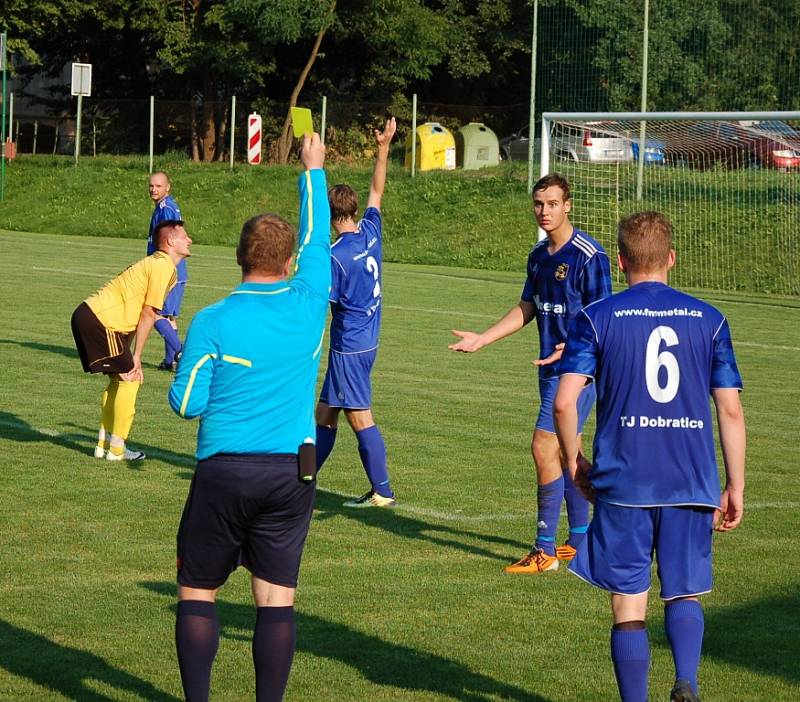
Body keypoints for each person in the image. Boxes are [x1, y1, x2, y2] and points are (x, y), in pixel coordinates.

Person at [553, 211, 745, 702]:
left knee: (628, 605)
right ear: (672, 259)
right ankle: (686, 684)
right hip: (691, 479)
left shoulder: (596, 318)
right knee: (683, 591)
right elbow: (730, 409)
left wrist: (574, 461)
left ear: (620, 262)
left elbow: (564, 400)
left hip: (625, 480)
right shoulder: (710, 318)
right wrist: (735, 485)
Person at [167, 133, 329, 702]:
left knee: (197, 591)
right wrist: (313, 169)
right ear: (289, 263)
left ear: (238, 257)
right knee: (276, 598)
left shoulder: (212, 321)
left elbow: (185, 404)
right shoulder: (310, 303)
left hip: (224, 470)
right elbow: (315, 238)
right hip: (291, 473)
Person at [449, 173, 611, 573]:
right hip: (549, 368)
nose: (544, 211)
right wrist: (483, 338)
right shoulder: (539, 256)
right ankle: (579, 542)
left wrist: (573, 347)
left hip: (578, 371)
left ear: (568, 205)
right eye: (539, 204)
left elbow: (603, 320)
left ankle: (545, 550)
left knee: (543, 446)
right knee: (564, 451)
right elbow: (528, 307)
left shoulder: (590, 256)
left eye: (552, 204)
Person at [314, 117, 398, 508]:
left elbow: (324, 306)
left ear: (331, 215)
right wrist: (383, 148)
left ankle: (383, 491)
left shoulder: (335, 257)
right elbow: (377, 190)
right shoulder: (370, 231)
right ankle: (302, 480)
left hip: (349, 347)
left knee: (359, 417)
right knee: (325, 413)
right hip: (369, 341)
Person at [71, 220, 192, 461]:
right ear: (170, 241)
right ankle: (116, 449)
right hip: (101, 322)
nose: (189, 240)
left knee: (120, 379)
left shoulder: (158, 265)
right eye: (184, 236)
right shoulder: (163, 266)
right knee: (131, 379)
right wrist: (136, 357)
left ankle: (103, 445)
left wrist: (129, 351)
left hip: (95, 319)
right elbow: (148, 312)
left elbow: (142, 313)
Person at [148, 171, 186, 371]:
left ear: (167, 187)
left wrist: (160, 265)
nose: (154, 189)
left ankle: (180, 352)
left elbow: (171, 239)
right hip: (175, 270)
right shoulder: (165, 207)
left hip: (168, 269)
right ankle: (170, 360)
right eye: (151, 186)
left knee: (154, 313)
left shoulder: (166, 209)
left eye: (158, 186)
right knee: (169, 316)